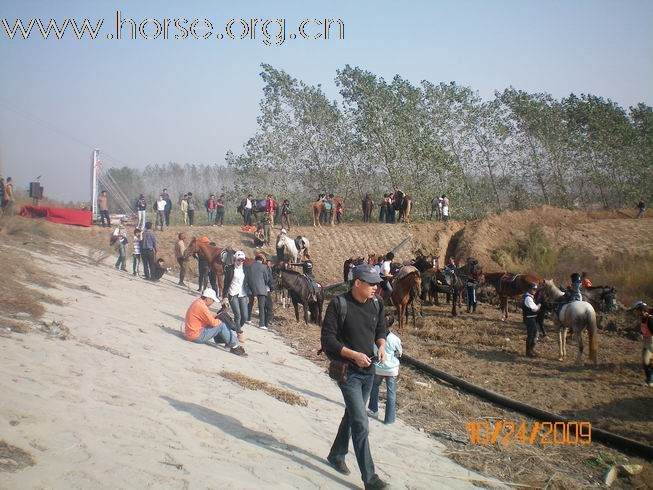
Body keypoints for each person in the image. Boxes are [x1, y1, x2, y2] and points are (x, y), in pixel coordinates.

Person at [321, 264, 388, 490]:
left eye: (377, 284)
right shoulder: (339, 304)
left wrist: (381, 345)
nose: (376, 288)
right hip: (348, 373)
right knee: (361, 422)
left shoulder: (377, 303)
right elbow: (328, 341)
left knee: (351, 415)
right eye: (371, 284)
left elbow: (381, 329)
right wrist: (353, 355)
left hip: (369, 372)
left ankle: (336, 455)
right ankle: (370, 479)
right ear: (357, 283)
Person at [183, 288, 247, 356]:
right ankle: (235, 347)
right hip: (196, 336)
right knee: (221, 325)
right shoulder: (202, 307)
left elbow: (207, 317)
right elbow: (213, 323)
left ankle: (228, 341)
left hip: (191, 333)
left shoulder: (198, 302)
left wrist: (218, 316)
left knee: (220, 321)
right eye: (212, 300)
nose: (212, 302)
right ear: (208, 299)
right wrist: (221, 319)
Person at [368, 324, 402, 425]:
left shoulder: (375, 337)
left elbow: (374, 352)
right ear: (392, 324)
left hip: (379, 368)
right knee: (391, 393)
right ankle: (389, 419)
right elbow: (399, 353)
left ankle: (373, 410)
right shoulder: (395, 338)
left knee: (374, 386)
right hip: (391, 370)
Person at [223, 250, 250, 335]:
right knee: (237, 314)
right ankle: (238, 331)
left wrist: (249, 295)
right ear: (235, 259)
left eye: (242, 260)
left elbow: (248, 282)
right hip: (232, 294)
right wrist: (225, 297)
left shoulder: (245, 269)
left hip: (243, 294)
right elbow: (226, 283)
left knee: (245, 316)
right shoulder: (230, 269)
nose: (240, 262)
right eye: (239, 260)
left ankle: (235, 328)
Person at [246, 253, 273, 330]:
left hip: (251, 288)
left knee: (250, 304)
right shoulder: (264, 267)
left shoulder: (249, 266)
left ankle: (248, 319)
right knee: (261, 306)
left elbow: (247, 277)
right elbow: (266, 278)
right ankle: (261, 324)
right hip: (261, 288)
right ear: (262, 260)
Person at [632, 301, 653, 386]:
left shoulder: (650, 319)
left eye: (637, 310)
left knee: (647, 361)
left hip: (651, 343)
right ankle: (649, 381)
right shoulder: (643, 319)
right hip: (646, 342)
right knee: (645, 363)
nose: (636, 312)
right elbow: (644, 330)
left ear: (642, 310)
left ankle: (650, 381)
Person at [522, 283, 541, 358]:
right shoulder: (528, 298)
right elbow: (534, 309)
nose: (535, 291)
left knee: (534, 334)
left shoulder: (530, 297)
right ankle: (529, 352)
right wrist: (539, 305)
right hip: (530, 318)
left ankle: (531, 350)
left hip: (531, 318)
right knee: (531, 335)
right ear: (529, 289)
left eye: (535, 289)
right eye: (533, 289)